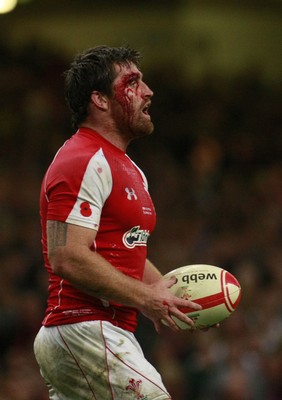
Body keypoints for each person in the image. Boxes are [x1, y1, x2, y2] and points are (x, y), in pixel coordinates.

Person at [33, 45, 201, 400]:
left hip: (101, 331)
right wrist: (145, 297)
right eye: (133, 82)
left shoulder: (130, 169)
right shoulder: (80, 160)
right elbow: (65, 255)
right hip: (82, 327)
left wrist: (167, 295)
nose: (148, 91)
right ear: (100, 99)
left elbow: (125, 247)